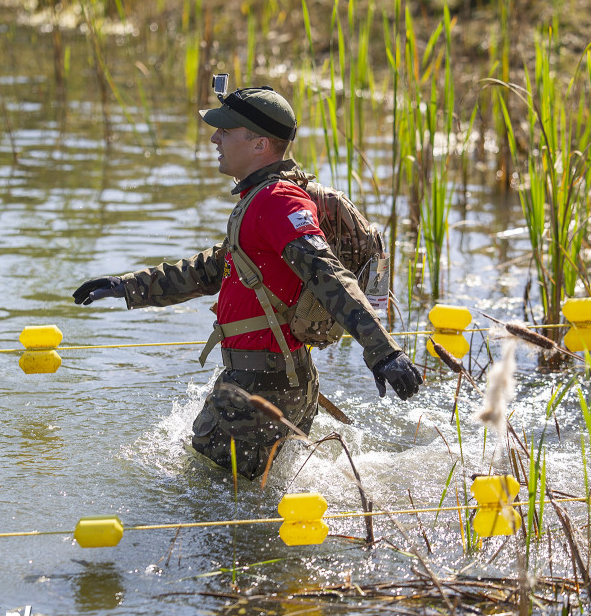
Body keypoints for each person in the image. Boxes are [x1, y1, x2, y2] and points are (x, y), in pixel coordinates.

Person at [74, 85, 422, 479]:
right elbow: (211, 269)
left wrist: (384, 352)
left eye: (226, 130)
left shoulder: (278, 203)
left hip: (261, 386)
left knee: (210, 495)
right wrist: (127, 286)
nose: (214, 138)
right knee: (249, 500)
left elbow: (328, 274)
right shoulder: (259, 201)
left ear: (260, 144)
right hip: (279, 378)